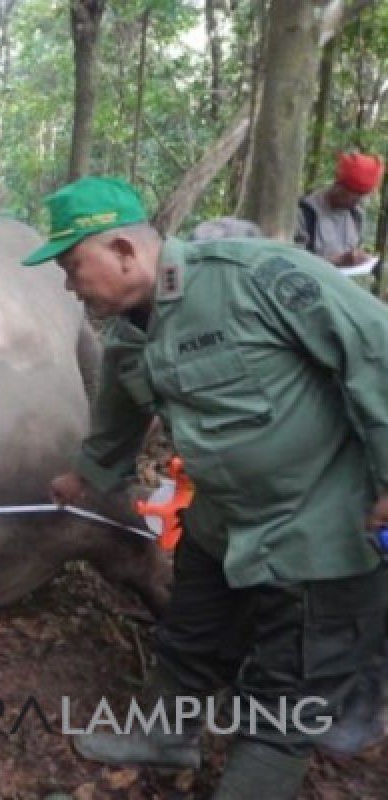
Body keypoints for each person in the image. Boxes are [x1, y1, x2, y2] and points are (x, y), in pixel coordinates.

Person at [22, 176, 388, 799]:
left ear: (122, 250)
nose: (68, 284)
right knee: (189, 636)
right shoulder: (131, 331)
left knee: (288, 689)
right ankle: (165, 737)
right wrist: (87, 477)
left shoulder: (259, 277)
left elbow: (375, 353)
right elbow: (119, 410)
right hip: (224, 520)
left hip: (320, 523)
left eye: (72, 264)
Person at [295, 151, 383, 267]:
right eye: (354, 197)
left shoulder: (356, 214)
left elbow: (356, 247)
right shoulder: (305, 213)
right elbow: (296, 262)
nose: (358, 202)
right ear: (339, 187)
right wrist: (337, 260)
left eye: (362, 196)